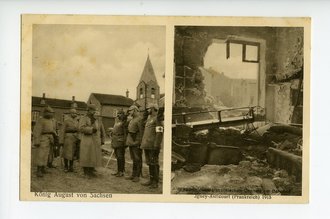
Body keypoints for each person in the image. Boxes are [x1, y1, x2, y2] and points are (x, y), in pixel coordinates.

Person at [79, 104, 105, 178]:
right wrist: (91, 129)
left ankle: (90, 171)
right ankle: (85, 172)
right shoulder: (83, 118)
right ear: (89, 110)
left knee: (93, 156)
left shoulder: (96, 119)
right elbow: (81, 128)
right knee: (86, 155)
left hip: (94, 140)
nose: (94, 112)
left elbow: (100, 130)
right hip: (86, 140)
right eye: (93, 110)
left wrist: (102, 139)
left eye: (95, 110)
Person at [141, 103, 164, 189]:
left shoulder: (158, 119)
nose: (147, 110)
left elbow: (159, 133)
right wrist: (145, 114)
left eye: (148, 109)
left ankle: (155, 182)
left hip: (153, 146)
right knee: (150, 163)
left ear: (153, 109)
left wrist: (156, 145)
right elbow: (141, 122)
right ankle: (151, 180)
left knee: (154, 163)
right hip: (147, 145)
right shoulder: (149, 119)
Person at [32, 106, 58, 177]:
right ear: (45, 113)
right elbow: (36, 131)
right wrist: (37, 141)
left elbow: (53, 130)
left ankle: (43, 168)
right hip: (43, 139)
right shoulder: (41, 120)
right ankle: (39, 170)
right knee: (41, 154)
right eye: (50, 112)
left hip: (49, 139)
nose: (51, 114)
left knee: (46, 154)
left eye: (52, 113)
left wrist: (55, 135)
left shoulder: (51, 121)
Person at [125, 105, 143, 182]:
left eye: (131, 111)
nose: (129, 112)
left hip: (136, 142)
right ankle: (133, 174)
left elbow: (141, 132)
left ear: (135, 110)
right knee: (134, 159)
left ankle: (137, 176)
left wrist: (138, 142)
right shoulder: (132, 119)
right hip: (131, 142)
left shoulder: (139, 119)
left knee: (137, 159)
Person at [59, 108, 80, 173]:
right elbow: (62, 131)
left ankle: (71, 167)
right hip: (68, 138)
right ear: (70, 114)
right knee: (66, 153)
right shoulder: (66, 120)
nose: (74, 114)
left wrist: (79, 138)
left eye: (75, 113)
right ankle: (66, 166)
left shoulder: (77, 121)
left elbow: (78, 130)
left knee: (73, 153)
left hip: (75, 138)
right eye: (73, 113)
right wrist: (61, 141)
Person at [110, 109, 127, 177]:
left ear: (123, 115)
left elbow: (125, 133)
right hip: (115, 141)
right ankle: (118, 171)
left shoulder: (124, 122)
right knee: (117, 156)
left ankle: (121, 171)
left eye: (120, 114)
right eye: (118, 114)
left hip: (121, 141)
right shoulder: (117, 121)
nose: (118, 115)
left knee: (120, 157)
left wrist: (125, 142)